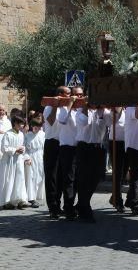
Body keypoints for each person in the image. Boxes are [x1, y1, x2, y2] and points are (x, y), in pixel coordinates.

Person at [76, 105, 107, 222]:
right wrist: (85, 106)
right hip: (84, 147)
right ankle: (85, 208)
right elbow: (83, 122)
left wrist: (102, 110)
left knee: (96, 177)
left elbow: (113, 120)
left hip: (98, 148)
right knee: (84, 179)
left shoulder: (103, 110)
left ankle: (82, 204)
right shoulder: (79, 111)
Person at [43, 85, 70, 219]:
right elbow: (51, 121)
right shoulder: (48, 107)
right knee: (51, 177)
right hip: (52, 143)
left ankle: (59, 205)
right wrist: (55, 104)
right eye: (67, 93)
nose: (69, 96)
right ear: (60, 94)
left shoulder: (67, 107)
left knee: (61, 177)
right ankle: (53, 207)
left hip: (64, 144)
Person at [58, 87, 84, 220]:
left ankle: (75, 206)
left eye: (81, 95)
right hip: (67, 148)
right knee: (69, 179)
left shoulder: (81, 109)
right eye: (76, 95)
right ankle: (68, 208)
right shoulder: (63, 108)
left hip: (79, 148)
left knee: (78, 179)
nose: (79, 97)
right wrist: (70, 103)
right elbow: (62, 120)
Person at [0, 114, 28, 209]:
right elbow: (4, 148)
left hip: (18, 160)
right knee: (9, 179)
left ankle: (20, 199)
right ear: (15, 123)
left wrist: (22, 150)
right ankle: (7, 201)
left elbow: (23, 145)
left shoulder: (21, 134)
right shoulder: (8, 134)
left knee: (19, 179)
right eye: (21, 124)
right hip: (9, 161)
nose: (22, 126)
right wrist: (15, 150)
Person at [104, 107, 126, 213]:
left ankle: (115, 196)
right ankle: (118, 201)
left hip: (129, 142)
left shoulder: (130, 108)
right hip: (116, 142)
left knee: (124, 174)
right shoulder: (112, 110)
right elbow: (113, 119)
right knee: (118, 173)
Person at [24, 118, 45, 207]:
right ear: (32, 126)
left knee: (39, 176)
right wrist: (27, 158)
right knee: (31, 177)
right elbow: (25, 148)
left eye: (39, 127)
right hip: (31, 157)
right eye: (35, 127)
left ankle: (37, 196)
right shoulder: (27, 135)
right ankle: (31, 198)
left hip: (40, 157)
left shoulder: (43, 134)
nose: (37, 129)